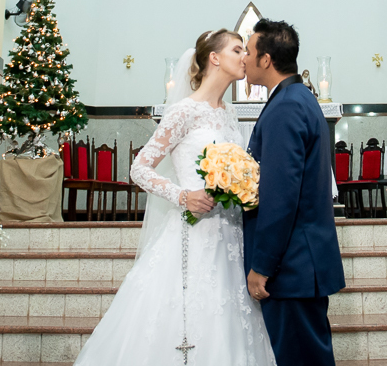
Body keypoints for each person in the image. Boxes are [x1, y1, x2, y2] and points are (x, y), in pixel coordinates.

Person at [73, 30, 275, 366]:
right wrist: (183, 195)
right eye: (237, 49)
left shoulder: (229, 113)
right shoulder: (184, 111)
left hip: (232, 236)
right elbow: (140, 168)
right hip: (193, 234)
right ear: (214, 58)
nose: (245, 57)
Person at [243, 19, 344, 366]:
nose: (244, 59)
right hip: (302, 260)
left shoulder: (286, 106)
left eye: (249, 51)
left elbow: (281, 197)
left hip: (291, 265)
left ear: (266, 59)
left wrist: (262, 265)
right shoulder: (299, 97)